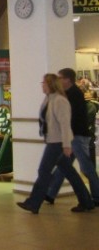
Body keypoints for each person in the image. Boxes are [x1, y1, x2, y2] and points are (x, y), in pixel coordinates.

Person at [16, 73, 93, 214]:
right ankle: (86, 201)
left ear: (50, 84)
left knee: (44, 171)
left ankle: (33, 202)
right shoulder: (49, 99)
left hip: (57, 142)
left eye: (44, 83)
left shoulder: (59, 101)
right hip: (53, 140)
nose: (42, 85)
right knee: (69, 172)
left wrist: (66, 145)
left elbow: (65, 124)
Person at [45, 68, 99, 207]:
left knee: (86, 168)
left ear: (67, 79)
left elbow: (72, 117)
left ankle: (96, 196)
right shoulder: (67, 94)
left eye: (60, 77)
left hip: (78, 136)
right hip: (73, 136)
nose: (58, 80)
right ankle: (51, 193)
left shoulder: (74, 94)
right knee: (64, 165)